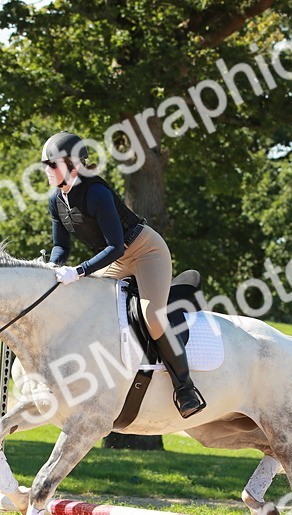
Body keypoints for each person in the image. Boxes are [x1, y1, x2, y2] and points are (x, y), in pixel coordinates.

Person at [40, 130, 206, 418]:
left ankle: (185, 388)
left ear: (74, 166)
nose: (47, 170)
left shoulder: (96, 192)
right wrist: (53, 267)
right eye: (46, 164)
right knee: (88, 308)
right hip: (116, 257)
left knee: (151, 316)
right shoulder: (56, 200)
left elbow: (116, 246)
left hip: (145, 251)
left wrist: (79, 271)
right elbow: (59, 246)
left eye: (53, 164)